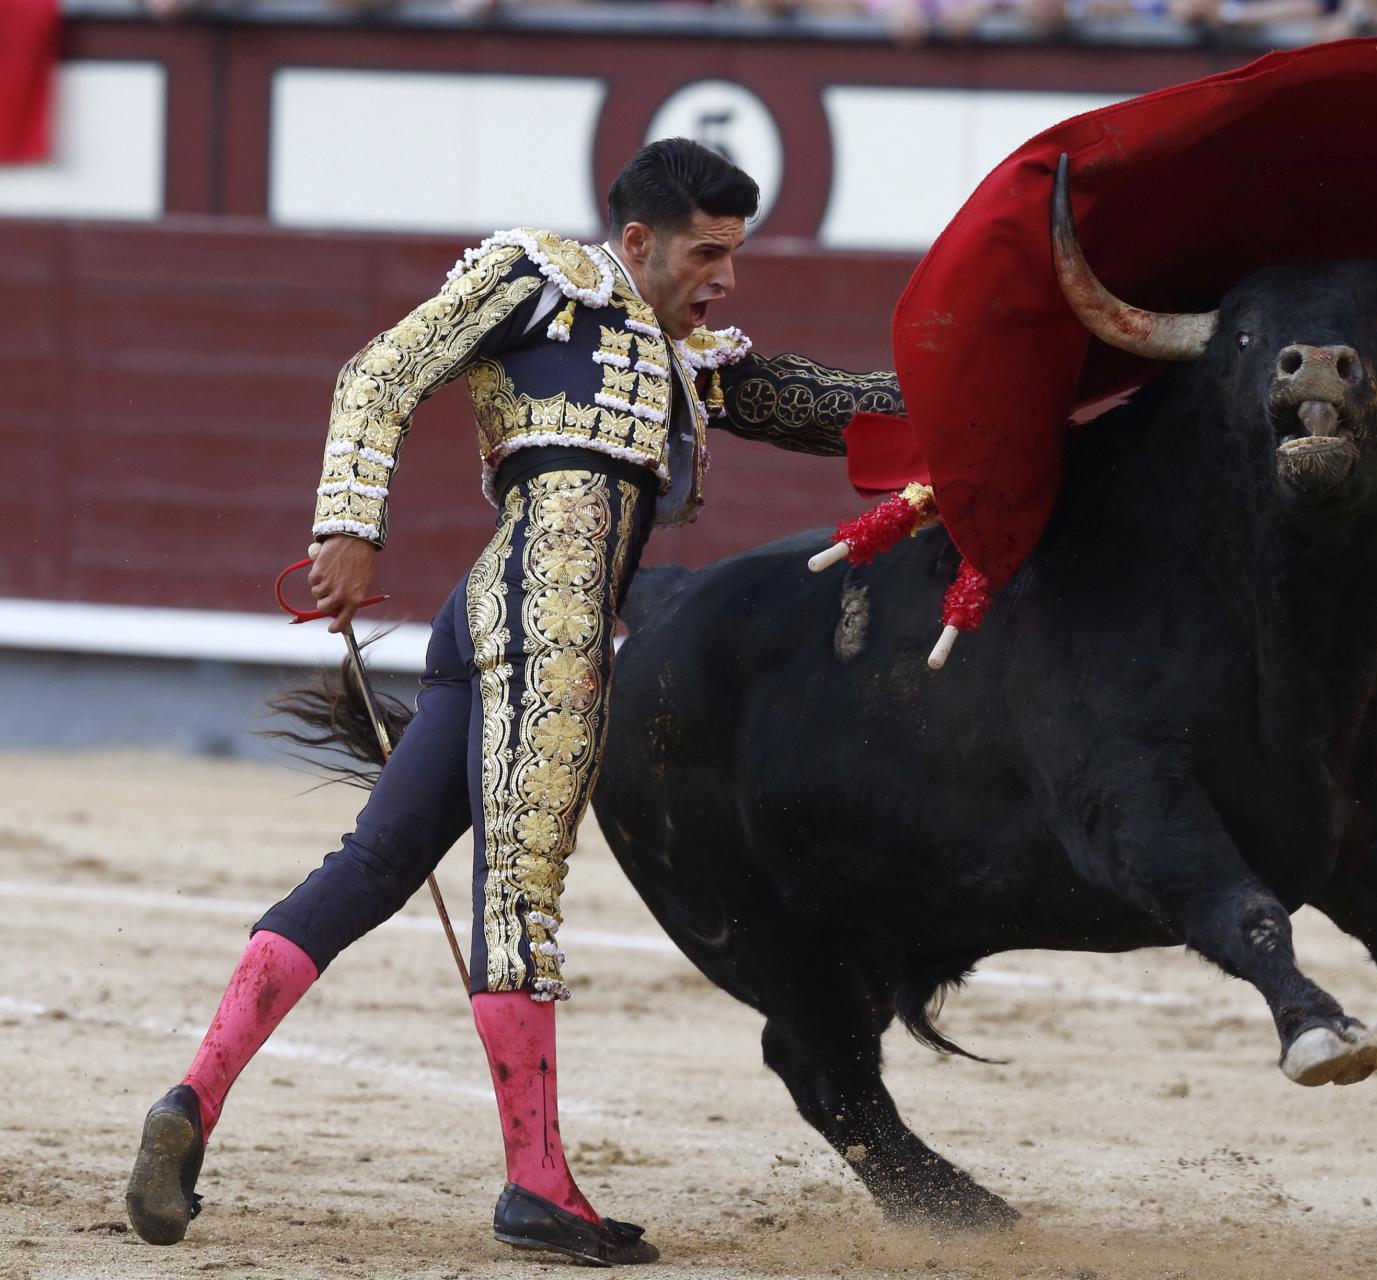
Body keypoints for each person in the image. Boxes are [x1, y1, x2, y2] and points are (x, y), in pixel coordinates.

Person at [124, 137, 904, 1265]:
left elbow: (836, 406)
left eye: (735, 255)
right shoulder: (539, 279)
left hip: (483, 610)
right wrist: (345, 526)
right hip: (546, 617)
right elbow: (381, 370)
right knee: (519, 896)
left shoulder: (689, 357)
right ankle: (535, 1184)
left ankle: (193, 1096)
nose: (726, 278)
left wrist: (985, 382)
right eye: (707, 253)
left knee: (372, 864)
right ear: (635, 241)